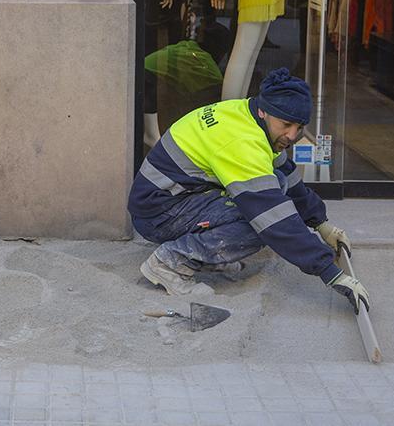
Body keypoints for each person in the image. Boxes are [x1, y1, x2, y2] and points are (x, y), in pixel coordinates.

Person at [128, 67, 371, 314]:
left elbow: (284, 172)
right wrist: (330, 272)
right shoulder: (241, 142)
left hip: (176, 196)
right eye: (286, 125)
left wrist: (321, 223)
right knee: (258, 226)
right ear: (264, 112)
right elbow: (273, 219)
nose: (292, 135)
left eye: (299, 127)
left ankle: (205, 254)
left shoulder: (247, 113)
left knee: (277, 182)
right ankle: (169, 263)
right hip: (158, 213)